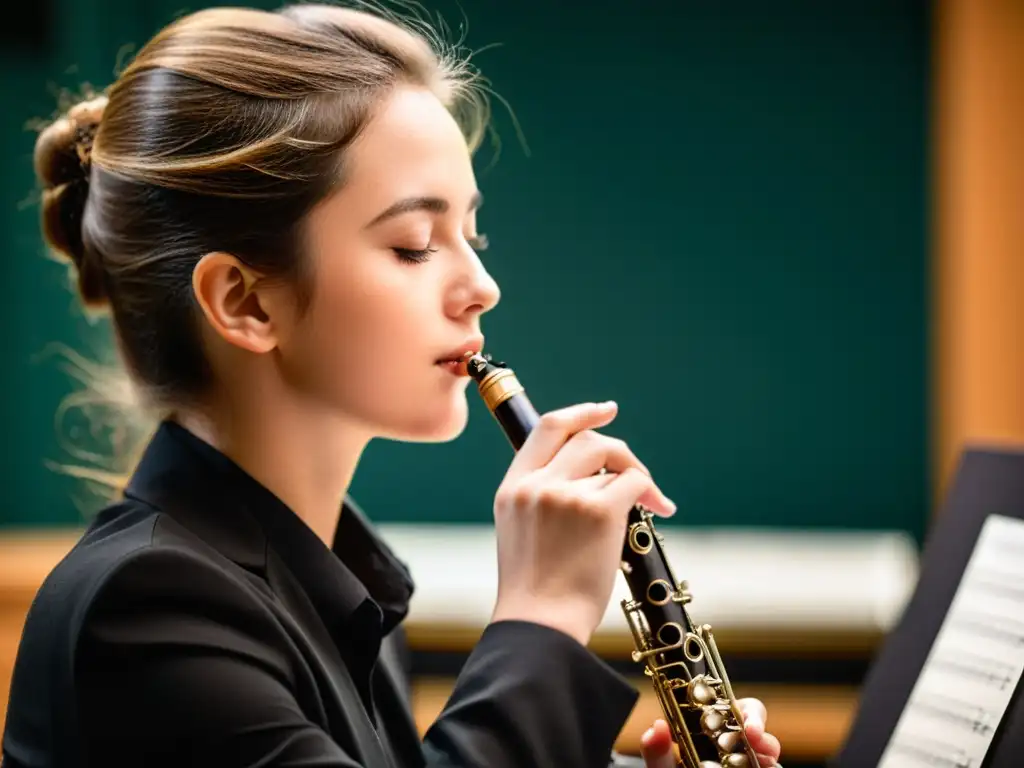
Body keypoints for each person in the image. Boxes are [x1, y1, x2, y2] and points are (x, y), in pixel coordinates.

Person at [2, 3, 784, 767]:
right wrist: (540, 618)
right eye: (414, 245)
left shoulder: (330, 582)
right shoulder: (147, 608)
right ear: (244, 301)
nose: (482, 286)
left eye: (469, 234)